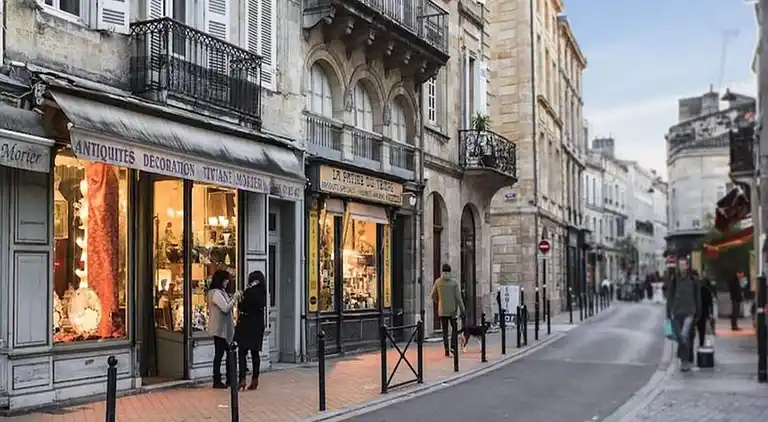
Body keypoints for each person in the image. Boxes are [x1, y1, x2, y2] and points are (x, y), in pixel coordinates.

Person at [208, 270, 241, 388]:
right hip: (220, 329)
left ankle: (229, 378)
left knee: (228, 353)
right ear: (221, 280)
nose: (227, 282)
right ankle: (217, 380)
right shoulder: (215, 293)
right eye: (226, 279)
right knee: (219, 355)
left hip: (224, 329)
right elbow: (225, 308)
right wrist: (235, 298)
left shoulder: (221, 292)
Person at [234, 270, 267, 391]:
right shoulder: (263, 292)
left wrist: (241, 298)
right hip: (258, 326)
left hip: (246, 325)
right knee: (255, 353)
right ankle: (255, 379)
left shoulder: (249, 292)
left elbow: (243, 306)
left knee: (242, 353)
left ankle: (242, 379)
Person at [666, 269, 701, 372]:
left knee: (684, 335)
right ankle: (683, 357)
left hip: (690, 311)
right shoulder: (675, 280)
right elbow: (670, 296)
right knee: (680, 337)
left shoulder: (693, 280)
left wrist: (698, 311)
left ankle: (684, 360)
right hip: (677, 312)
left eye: (684, 264)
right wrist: (668, 312)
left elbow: (697, 296)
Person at [431, 263, 465, 357]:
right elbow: (458, 298)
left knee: (445, 331)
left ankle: (446, 349)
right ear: (450, 271)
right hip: (453, 310)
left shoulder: (438, 282)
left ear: (442, 271)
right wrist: (463, 309)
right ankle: (453, 346)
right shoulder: (454, 283)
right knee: (454, 329)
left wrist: (438, 302)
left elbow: (432, 294)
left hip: (442, 310)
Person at [697, 276, 715, 347]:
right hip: (704, 312)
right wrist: (711, 313)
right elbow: (710, 303)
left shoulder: (698, 289)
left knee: (699, 328)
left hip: (698, 311)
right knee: (702, 329)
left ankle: (701, 342)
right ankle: (701, 343)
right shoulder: (707, 290)